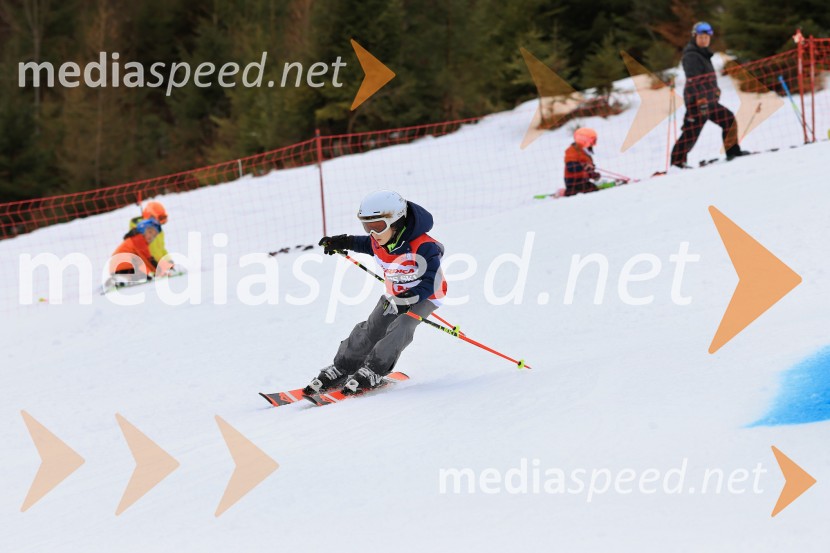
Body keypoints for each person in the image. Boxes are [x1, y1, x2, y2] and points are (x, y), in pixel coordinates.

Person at [306, 190, 447, 395]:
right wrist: (342, 242)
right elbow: (362, 243)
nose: (373, 233)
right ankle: (343, 366)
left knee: (402, 325)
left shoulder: (424, 246)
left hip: (426, 295)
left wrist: (409, 299)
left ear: (396, 221)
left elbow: (432, 281)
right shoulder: (378, 240)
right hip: (396, 293)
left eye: (378, 226)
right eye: (367, 226)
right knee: (373, 326)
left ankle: (375, 369)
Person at [671, 21, 749, 169]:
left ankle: (733, 151)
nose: (704, 40)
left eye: (706, 37)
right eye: (701, 37)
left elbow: (707, 78)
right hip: (697, 101)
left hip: (709, 99)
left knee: (728, 119)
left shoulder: (703, 54)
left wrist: (715, 90)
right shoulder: (691, 56)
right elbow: (694, 79)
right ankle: (676, 163)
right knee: (691, 131)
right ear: (694, 37)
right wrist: (701, 99)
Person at [129, 201, 175, 275]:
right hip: (147, 269)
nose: (160, 223)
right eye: (159, 218)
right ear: (150, 216)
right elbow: (141, 253)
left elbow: (161, 249)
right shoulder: (139, 230)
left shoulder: (159, 231)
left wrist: (168, 261)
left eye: (163, 218)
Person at [563, 127, 600, 196]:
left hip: (583, 180)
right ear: (584, 140)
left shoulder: (586, 152)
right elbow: (570, 167)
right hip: (573, 182)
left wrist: (593, 174)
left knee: (594, 189)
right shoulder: (572, 151)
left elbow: (587, 169)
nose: (594, 143)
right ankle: (565, 192)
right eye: (593, 141)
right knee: (589, 190)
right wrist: (584, 166)